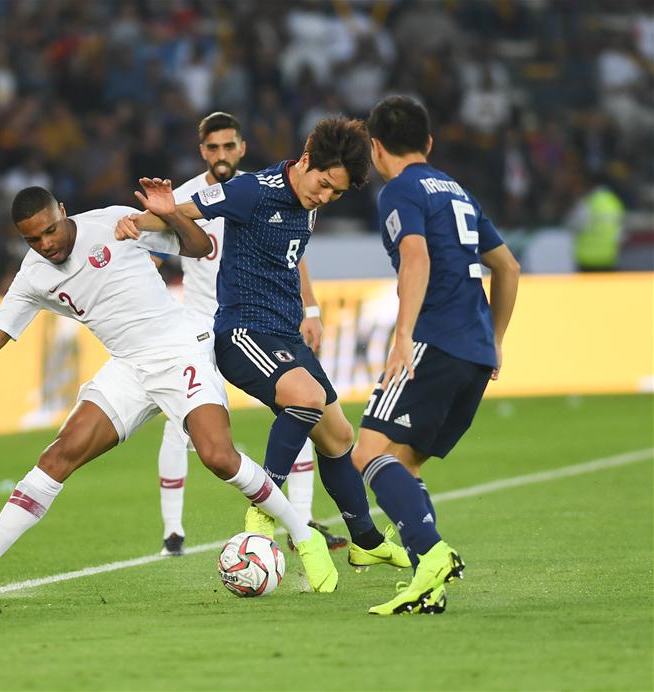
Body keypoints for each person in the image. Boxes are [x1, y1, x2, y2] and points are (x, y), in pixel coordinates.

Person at [0, 180, 339, 600]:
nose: (45, 244)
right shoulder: (33, 276)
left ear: (62, 210)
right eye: (31, 239)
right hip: (128, 367)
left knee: (217, 457)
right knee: (58, 456)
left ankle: (304, 538)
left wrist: (168, 214)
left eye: (49, 230)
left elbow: (199, 247)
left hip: (180, 351)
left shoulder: (114, 223)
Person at [117, 117, 408, 575]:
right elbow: (181, 213)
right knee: (307, 399)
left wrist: (309, 311)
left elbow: (293, 260)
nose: (325, 197)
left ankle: (366, 541)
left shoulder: (308, 200)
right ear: (307, 161)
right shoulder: (253, 189)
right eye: (325, 185)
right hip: (242, 332)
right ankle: (265, 509)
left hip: (286, 334)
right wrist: (137, 219)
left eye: (336, 193)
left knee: (339, 438)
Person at [351, 95, 520, 615]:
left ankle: (432, 554)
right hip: (472, 350)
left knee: (366, 453)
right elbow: (508, 268)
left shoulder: (399, 190)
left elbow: (415, 256)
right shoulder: (459, 192)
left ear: (376, 148)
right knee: (404, 463)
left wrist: (403, 337)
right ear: (428, 142)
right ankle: (432, 582)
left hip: (434, 341)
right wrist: (496, 339)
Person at [152, 111, 346, 557]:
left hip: (260, 321)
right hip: (200, 325)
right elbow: (154, 256)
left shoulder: (266, 190)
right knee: (180, 426)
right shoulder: (185, 197)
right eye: (213, 147)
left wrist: (310, 308)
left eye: (229, 146)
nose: (221, 154)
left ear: (241, 148)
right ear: (202, 151)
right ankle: (173, 534)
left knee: (298, 410)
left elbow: (293, 254)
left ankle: (300, 517)